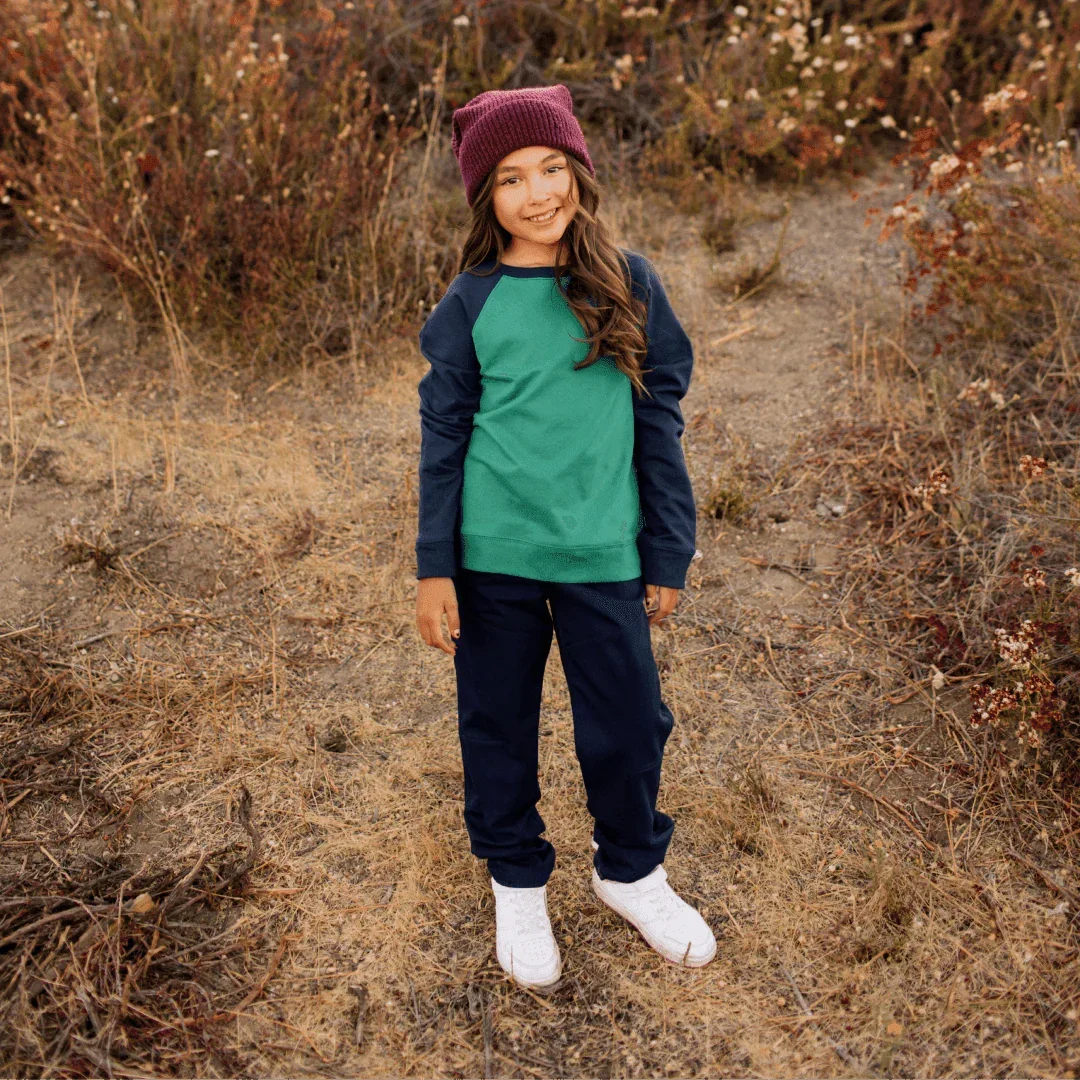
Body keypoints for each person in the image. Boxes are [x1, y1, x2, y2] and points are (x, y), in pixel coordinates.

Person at [414, 84, 716, 991]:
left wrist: (667, 546)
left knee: (628, 721)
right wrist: (435, 568)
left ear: (580, 171)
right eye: (511, 178)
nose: (537, 192)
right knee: (496, 725)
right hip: (492, 557)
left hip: (603, 550)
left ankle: (632, 872)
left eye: (551, 168)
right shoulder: (471, 302)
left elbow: (659, 418)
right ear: (485, 197)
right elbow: (444, 440)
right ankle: (516, 882)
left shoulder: (629, 282)